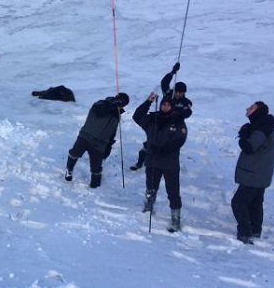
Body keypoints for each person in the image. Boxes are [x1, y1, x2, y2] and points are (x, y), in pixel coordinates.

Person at [132, 93, 188, 232]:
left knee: (173, 191)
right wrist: (148, 102)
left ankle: (175, 219)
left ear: (172, 106)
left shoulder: (178, 121)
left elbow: (179, 140)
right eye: (163, 104)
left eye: (168, 105)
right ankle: (149, 206)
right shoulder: (153, 118)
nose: (165, 107)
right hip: (152, 160)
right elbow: (137, 117)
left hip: (170, 162)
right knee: (151, 186)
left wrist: (162, 150)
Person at [130, 62, 192, 170]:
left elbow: (188, 113)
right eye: (177, 91)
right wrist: (173, 72)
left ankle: (164, 165)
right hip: (160, 122)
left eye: (181, 93)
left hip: (175, 126)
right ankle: (140, 162)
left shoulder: (186, 102)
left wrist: (178, 114)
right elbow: (164, 82)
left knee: (169, 146)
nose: (178, 94)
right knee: (150, 142)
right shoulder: (169, 94)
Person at [231, 101, 274, 245]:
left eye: (251, 108)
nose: (247, 109)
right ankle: (255, 229)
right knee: (255, 203)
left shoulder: (262, 128)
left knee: (238, 203)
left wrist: (244, 134)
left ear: (258, 111)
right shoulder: (263, 126)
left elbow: (249, 147)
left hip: (254, 174)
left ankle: (245, 233)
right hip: (260, 173)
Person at [64, 93, 129, 188]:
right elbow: (100, 112)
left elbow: (112, 132)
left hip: (100, 143)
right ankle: (69, 169)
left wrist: (109, 145)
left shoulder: (117, 115)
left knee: (96, 168)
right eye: (122, 104)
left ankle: (95, 186)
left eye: (124, 105)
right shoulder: (100, 104)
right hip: (86, 136)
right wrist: (113, 104)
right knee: (74, 153)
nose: (122, 106)